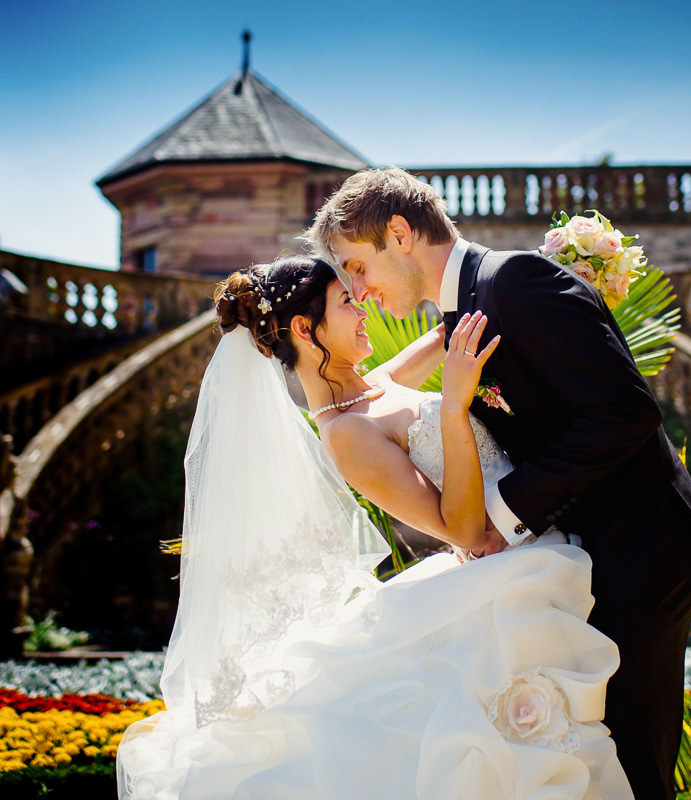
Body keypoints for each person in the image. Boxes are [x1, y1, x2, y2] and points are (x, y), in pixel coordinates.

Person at [116, 256, 634, 799]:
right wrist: (454, 408)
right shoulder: (346, 435)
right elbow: (461, 529)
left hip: (535, 540)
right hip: (505, 570)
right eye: (345, 300)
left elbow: (451, 331)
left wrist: (557, 273)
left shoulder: (372, 389)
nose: (362, 305)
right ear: (303, 329)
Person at [306, 168, 691, 800]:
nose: (358, 291)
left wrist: (504, 515)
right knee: (593, 760)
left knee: (634, 760)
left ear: (399, 233)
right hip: (579, 553)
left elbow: (627, 412)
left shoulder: (516, 281)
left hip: (636, 548)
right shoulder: (464, 309)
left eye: (357, 267)